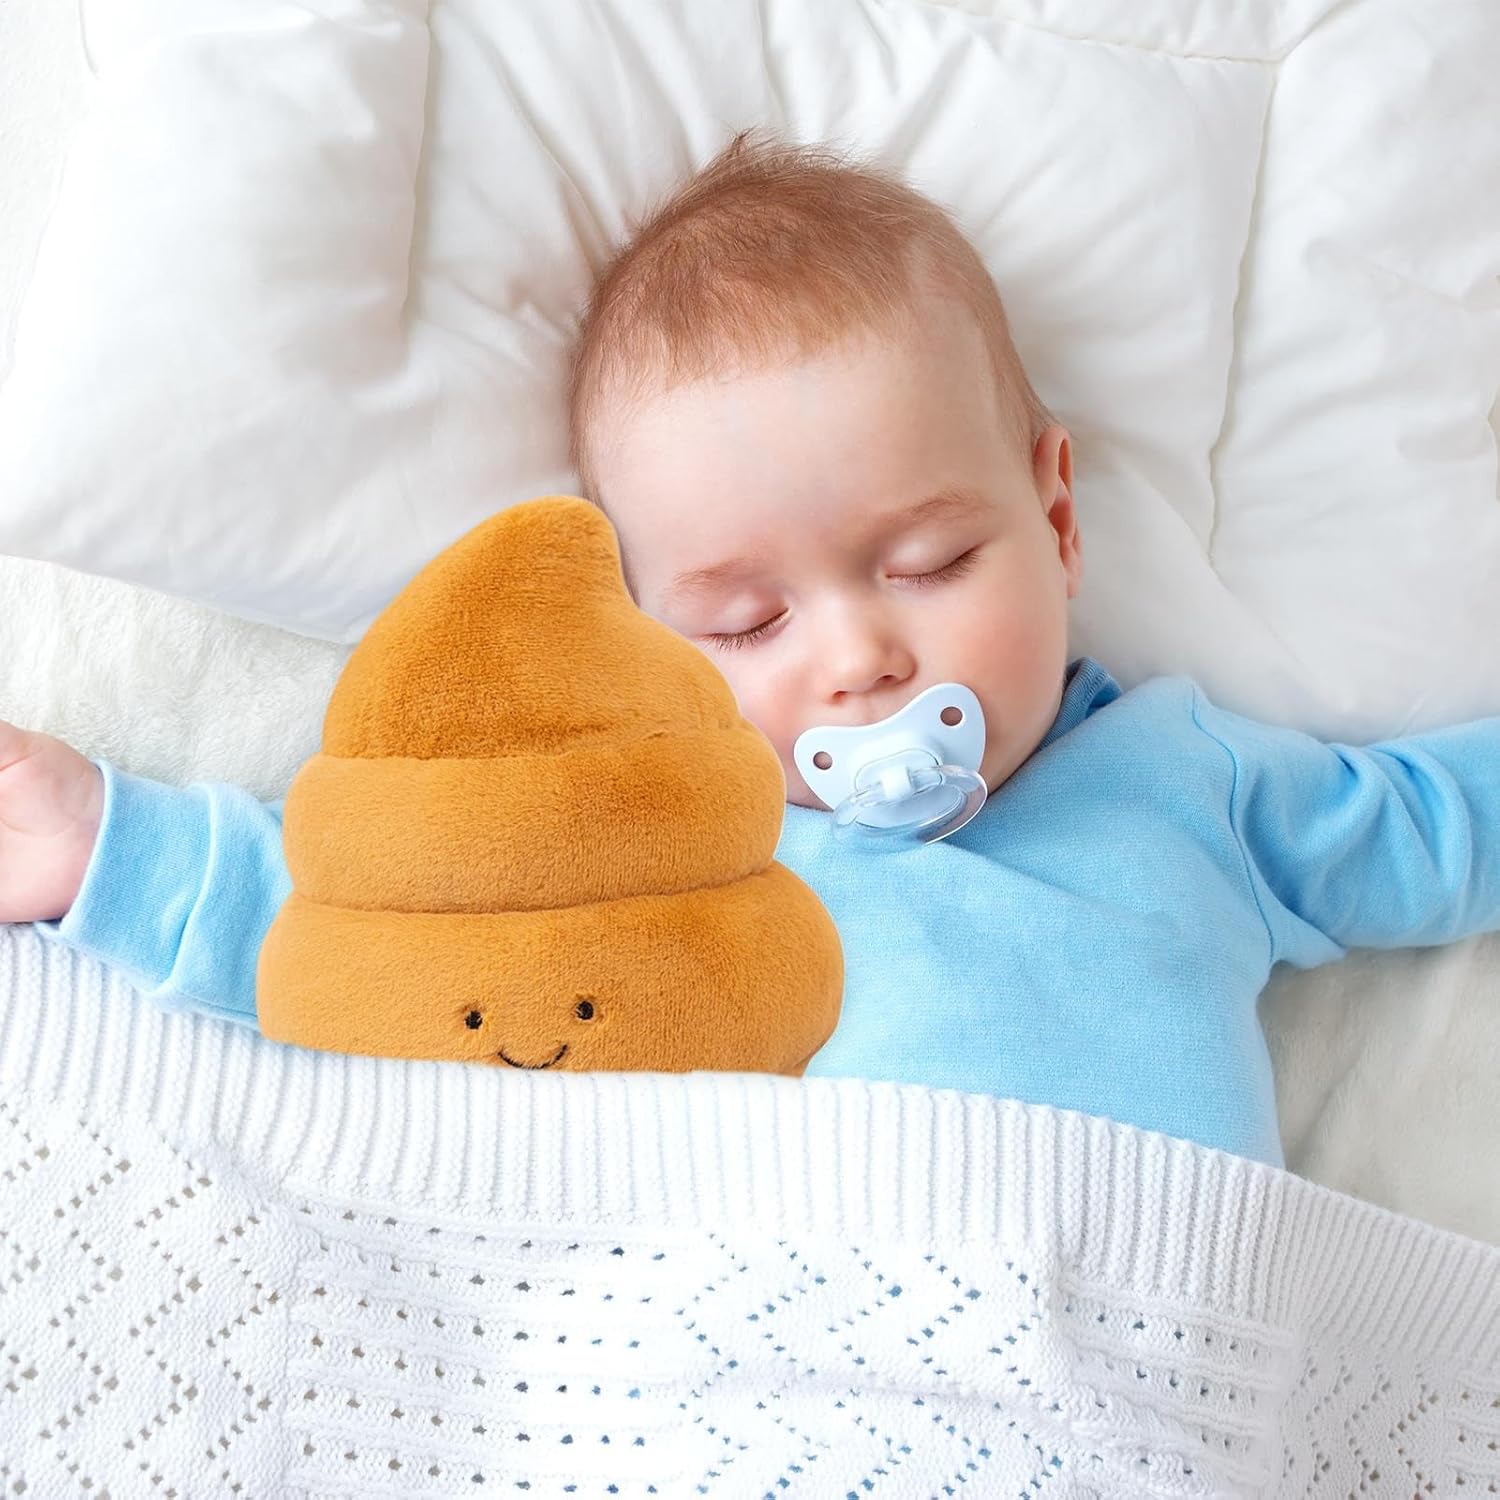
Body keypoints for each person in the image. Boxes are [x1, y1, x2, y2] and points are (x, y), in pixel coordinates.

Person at [3, 130, 1497, 1167]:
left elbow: (1440, 827)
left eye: (930, 562)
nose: (860, 659)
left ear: (1056, 519)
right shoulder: (673, 850)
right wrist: (101, 845)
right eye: (748, 622)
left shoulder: (1195, 782)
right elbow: (383, 933)